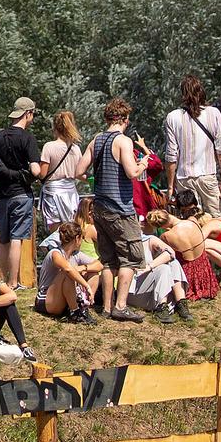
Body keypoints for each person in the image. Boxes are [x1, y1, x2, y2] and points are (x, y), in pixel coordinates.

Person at [86, 97, 150, 323]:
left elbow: (78, 170)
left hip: (100, 207)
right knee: (131, 257)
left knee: (108, 259)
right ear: (125, 119)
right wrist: (144, 162)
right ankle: (121, 307)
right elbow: (132, 172)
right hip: (120, 209)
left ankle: (106, 307)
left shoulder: (97, 139)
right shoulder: (123, 141)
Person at [0, 97, 45, 292]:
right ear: (28, 114)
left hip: (3, 195)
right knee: (17, 239)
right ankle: (13, 282)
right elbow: (37, 170)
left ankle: (0, 281)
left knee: (3, 239)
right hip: (21, 194)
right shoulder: (27, 138)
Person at [162, 78, 221, 218]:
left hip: (184, 177)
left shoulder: (173, 117)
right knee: (217, 219)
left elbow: (171, 156)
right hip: (208, 174)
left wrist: (170, 185)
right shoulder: (214, 113)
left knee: (190, 220)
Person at [35, 219, 103, 323]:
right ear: (77, 238)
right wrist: (86, 285)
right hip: (46, 299)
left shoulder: (76, 255)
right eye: (82, 238)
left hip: (62, 297)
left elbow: (99, 265)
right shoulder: (55, 253)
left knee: (93, 272)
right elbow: (67, 269)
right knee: (67, 274)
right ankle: (75, 312)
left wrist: (82, 268)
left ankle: (83, 307)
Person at [38, 110, 87, 234]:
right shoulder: (75, 149)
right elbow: (79, 174)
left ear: (55, 127)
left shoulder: (49, 147)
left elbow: (42, 174)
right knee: (71, 230)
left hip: (53, 193)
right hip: (70, 193)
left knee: (55, 232)